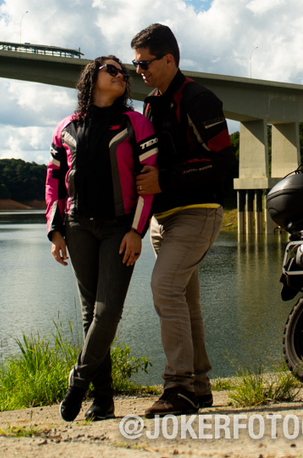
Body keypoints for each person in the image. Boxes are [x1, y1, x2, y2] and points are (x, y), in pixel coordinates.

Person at [45, 55, 158, 422]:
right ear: (91, 77)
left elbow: (148, 180)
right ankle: (103, 400)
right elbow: (53, 182)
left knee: (107, 312)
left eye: (123, 72)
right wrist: (55, 229)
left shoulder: (136, 123)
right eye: (112, 69)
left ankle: (78, 381)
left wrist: (136, 230)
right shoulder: (65, 127)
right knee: (89, 315)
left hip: (119, 228)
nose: (121, 74)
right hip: (77, 228)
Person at [130, 23, 232, 417]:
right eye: (135, 64)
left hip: (198, 213)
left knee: (163, 287)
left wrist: (167, 179)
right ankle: (199, 388)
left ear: (169, 58)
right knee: (186, 302)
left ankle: (177, 389)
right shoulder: (152, 103)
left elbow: (222, 161)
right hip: (163, 220)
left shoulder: (199, 98)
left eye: (144, 63)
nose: (139, 71)